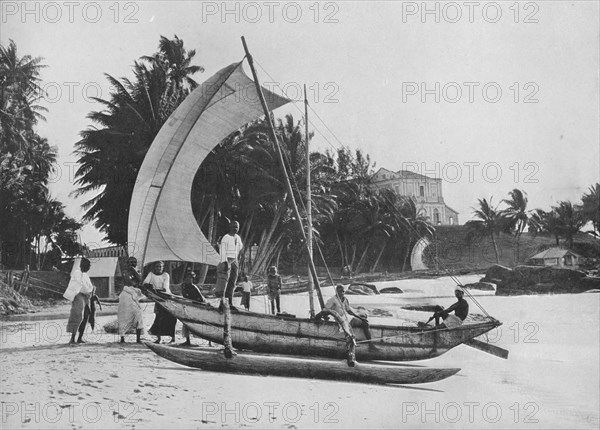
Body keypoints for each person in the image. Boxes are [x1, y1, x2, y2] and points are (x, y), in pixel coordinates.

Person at [317, 285, 378, 352]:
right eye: (341, 291)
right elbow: (325, 310)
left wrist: (359, 317)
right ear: (337, 291)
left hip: (347, 317)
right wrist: (319, 316)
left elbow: (349, 311)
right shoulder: (332, 300)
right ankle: (369, 345)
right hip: (341, 319)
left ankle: (369, 344)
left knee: (364, 321)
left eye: (343, 291)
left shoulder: (345, 299)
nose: (342, 293)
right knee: (364, 323)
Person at [64, 258, 95, 344]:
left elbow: (90, 286)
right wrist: (88, 290)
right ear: (83, 265)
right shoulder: (77, 273)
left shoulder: (86, 275)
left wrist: (90, 291)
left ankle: (80, 337)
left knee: (86, 316)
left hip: (86, 296)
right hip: (78, 296)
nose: (89, 267)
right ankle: (72, 338)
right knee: (77, 315)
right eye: (88, 266)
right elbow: (81, 286)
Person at [145, 261, 177, 343]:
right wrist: (149, 287)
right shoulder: (151, 274)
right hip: (157, 298)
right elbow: (145, 283)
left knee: (171, 317)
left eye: (160, 266)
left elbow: (165, 288)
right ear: (154, 267)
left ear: (163, 267)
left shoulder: (165, 275)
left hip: (166, 298)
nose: (159, 268)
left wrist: (154, 289)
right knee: (158, 318)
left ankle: (172, 338)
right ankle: (159, 338)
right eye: (157, 266)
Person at [117, 257, 144, 343]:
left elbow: (139, 281)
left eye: (134, 262)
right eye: (130, 262)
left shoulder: (137, 272)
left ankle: (138, 339)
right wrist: (133, 272)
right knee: (124, 316)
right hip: (126, 294)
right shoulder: (125, 272)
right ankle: (122, 337)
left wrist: (134, 271)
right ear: (127, 263)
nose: (132, 264)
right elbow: (129, 282)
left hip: (134, 295)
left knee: (138, 315)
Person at [217, 221, 243, 306]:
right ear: (230, 227)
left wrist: (236, 259)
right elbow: (222, 250)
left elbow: (240, 248)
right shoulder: (226, 237)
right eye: (234, 226)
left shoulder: (238, 238)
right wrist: (224, 262)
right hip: (226, 260)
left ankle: (230, 303)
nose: (235, 228)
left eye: (237, 227)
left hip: (234, 261)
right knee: (224, 282)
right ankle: (222, 303)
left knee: (232, 282)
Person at [180, 270, 206, 346]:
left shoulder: (194, 287)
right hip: (188, 306)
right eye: (187, 277)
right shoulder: (183, 286)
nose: (188, 279)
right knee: (186, 323)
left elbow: (201, 299)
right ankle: (187, 340)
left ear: (193, 279)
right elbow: (185, 296)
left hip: (197, 306)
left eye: (190, 278)